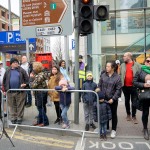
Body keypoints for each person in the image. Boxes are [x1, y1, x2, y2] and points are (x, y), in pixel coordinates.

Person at [98, 60, 122, 138]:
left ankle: (114, 130)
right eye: (106, 66)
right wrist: (100, 96)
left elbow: (119, 90)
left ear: (113, 68)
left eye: (108, 66)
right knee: (105, 113)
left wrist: (113, 99)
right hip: (104, 99)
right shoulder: (103, 75)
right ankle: (106, 128)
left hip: (112, 100)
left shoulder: (117, 77)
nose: (106, 68)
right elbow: (99, 86)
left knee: (113, 114)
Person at [3, 58, 29, 124]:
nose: (16, 63)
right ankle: (13, 117)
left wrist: (25, 84)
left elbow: (27, 79)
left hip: (20, 92)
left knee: (20, 105)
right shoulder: (8, 71)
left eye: (17, 62)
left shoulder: (21, 70)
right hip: (10, 91)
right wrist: (5, 90)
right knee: (11, 105)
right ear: (11, 64)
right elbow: (4, 81)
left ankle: (19, 117)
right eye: (14, 62)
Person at [120, 52, 141, 123]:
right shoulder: (122, 65)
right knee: (126, 101)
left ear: (129, 57)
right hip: (125, 86)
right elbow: (120, 74)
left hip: (134, 86)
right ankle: (128, 114)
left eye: (124, 56)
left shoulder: (137, 65)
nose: (123, 57)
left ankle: (134, 116)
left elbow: (140, 75)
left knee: (134, 101)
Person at [133, 56, 150, 140]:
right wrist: (143, 85)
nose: (149, 62)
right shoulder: (140, 71)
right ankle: (145, 129)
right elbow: (134, 82)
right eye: (147, 61)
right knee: (145, 113)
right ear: (145, 62)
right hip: (145, 95)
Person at [30, 62, 50, 127]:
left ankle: (45, 121)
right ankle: (40, 121)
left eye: (34, 67)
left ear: (37, 68)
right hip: (39, 93)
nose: (33, 68)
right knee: (41, 107)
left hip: (41, 93)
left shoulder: (40, 75)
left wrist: (31, 78)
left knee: (40, 107)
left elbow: (33, 85)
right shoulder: (38, 74)